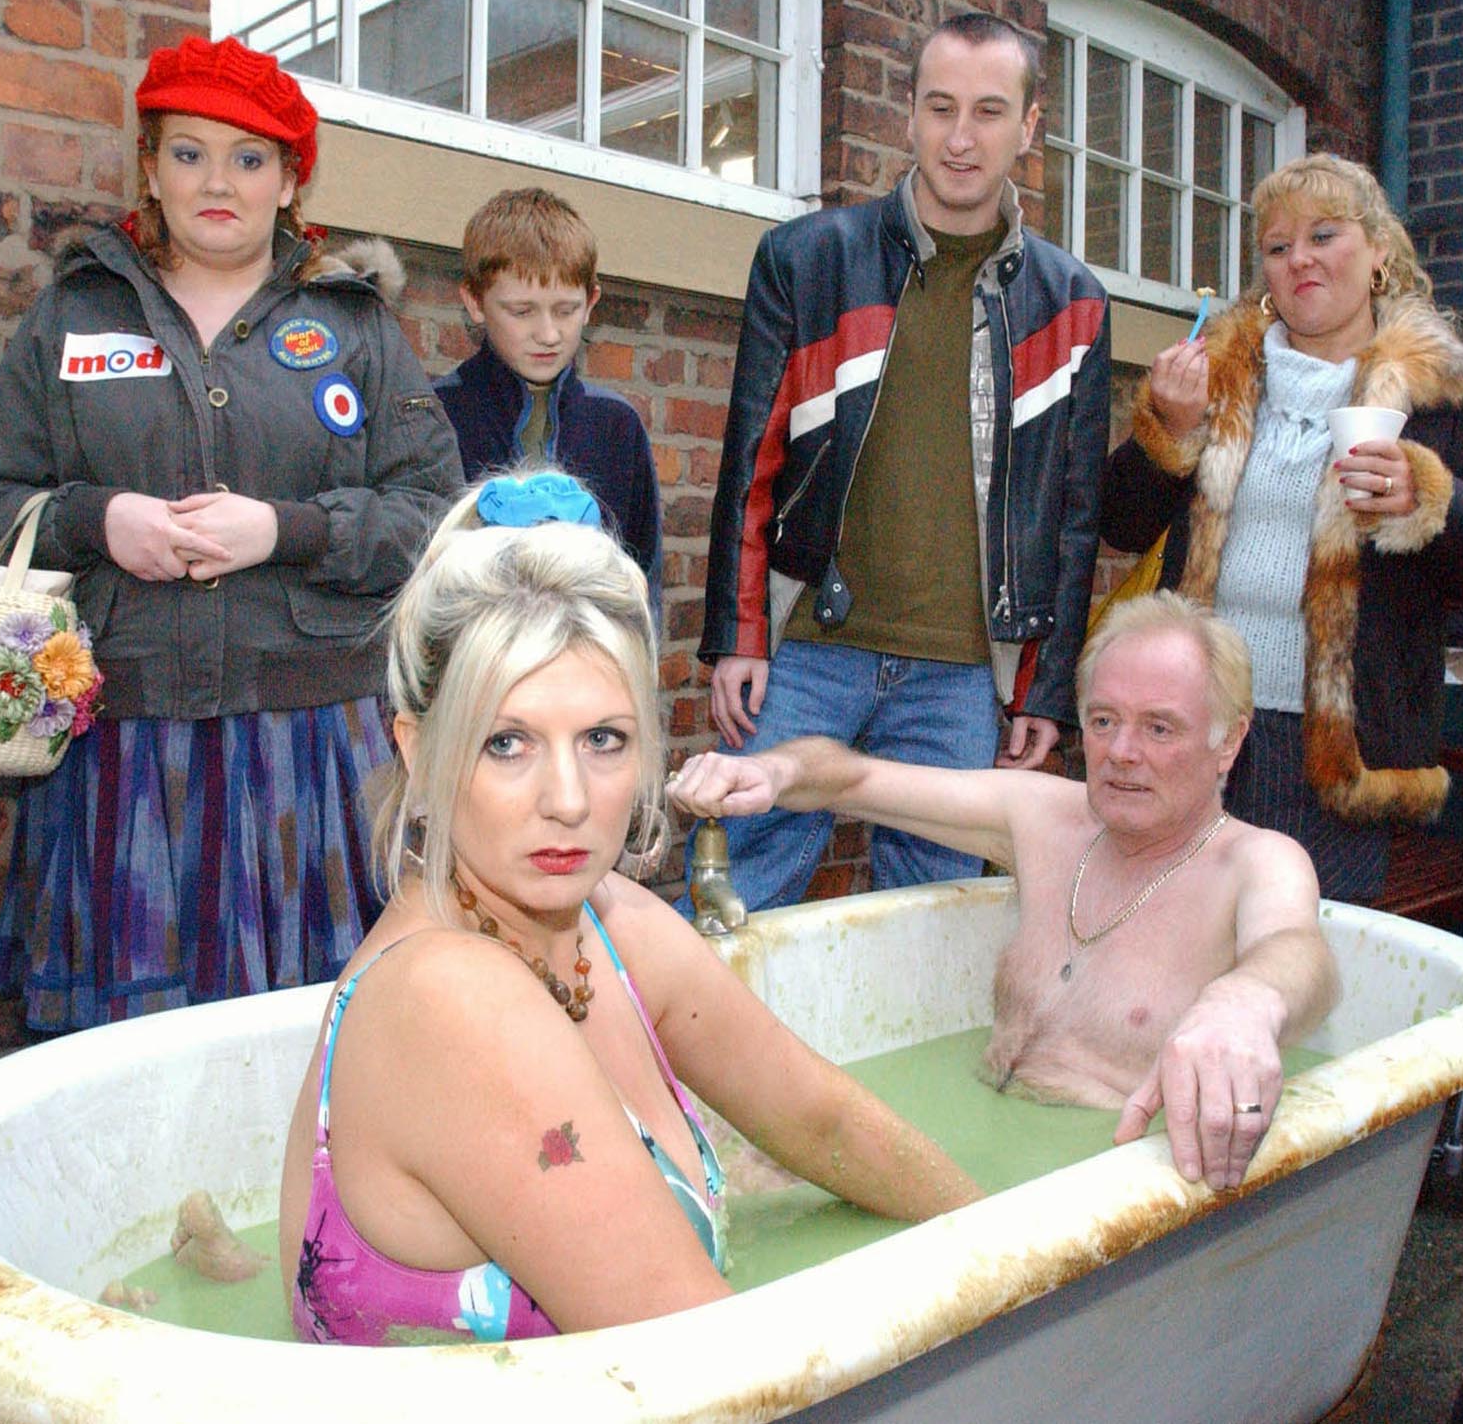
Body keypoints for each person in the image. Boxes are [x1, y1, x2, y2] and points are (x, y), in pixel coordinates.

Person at [277, 472, 979, 1344]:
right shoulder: (450, 999)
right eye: (507, 743)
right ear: (420, 754)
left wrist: (1016, 1256)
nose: (568, 799)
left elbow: (823, 1121)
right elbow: (710, 1372)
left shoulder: (612, 924)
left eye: (603, 739)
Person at [0, 35, 464, 1033]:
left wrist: (286, 529)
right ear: (149, 167)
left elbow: (434, 515)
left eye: (249, 158)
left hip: (314, 748)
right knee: (129, 1046)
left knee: (330, 1035)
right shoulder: (75, 311)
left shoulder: (352, 325)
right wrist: (99, 518)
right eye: (188, 153)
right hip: (124, 748)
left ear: (289, 181)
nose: (216, 180)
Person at [669, 592, 1339, 1192]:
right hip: (973, 1137)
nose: (1122, 752)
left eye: (1159, 728)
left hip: (1106, 1185)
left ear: (1229, 741)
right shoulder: (1047, 818)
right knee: (726, 1171)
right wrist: (768, 770)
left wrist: (1243, 1002)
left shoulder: (1256, 861)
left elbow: (1296, 951)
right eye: (1103, 722)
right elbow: (848, 778)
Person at [692, 11, 1111, 915]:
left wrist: (1045, 687)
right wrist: (739, 632)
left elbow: (1073, 515)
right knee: (734, 903)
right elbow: (750, 462)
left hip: (962, 675)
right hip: (810, 653)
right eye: (940, 107)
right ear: (910, 116)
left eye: (991, 111)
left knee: (935, 934)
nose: (962, 139)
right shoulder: (807, 260)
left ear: (1031, 126)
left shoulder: (1072, 301)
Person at [1101, 152, 1463, 903]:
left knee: (1305, 967)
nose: (1299, 259)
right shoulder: (1218, 374)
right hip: (1193, 731)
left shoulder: (1448, 395)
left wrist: (1430, 499)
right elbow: (1119, 525)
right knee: (1167, 943)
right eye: (1278, 248)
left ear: (1378, 253)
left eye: (1324, 235)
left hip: (1335, 754)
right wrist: (1170, 432)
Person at [435, 187, 662, 599]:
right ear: (474, 301)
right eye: (522, 312)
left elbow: (641, 578)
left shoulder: (617, 426)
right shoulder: (437, 414)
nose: (548, 334)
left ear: (591, 303)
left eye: (566, 309)